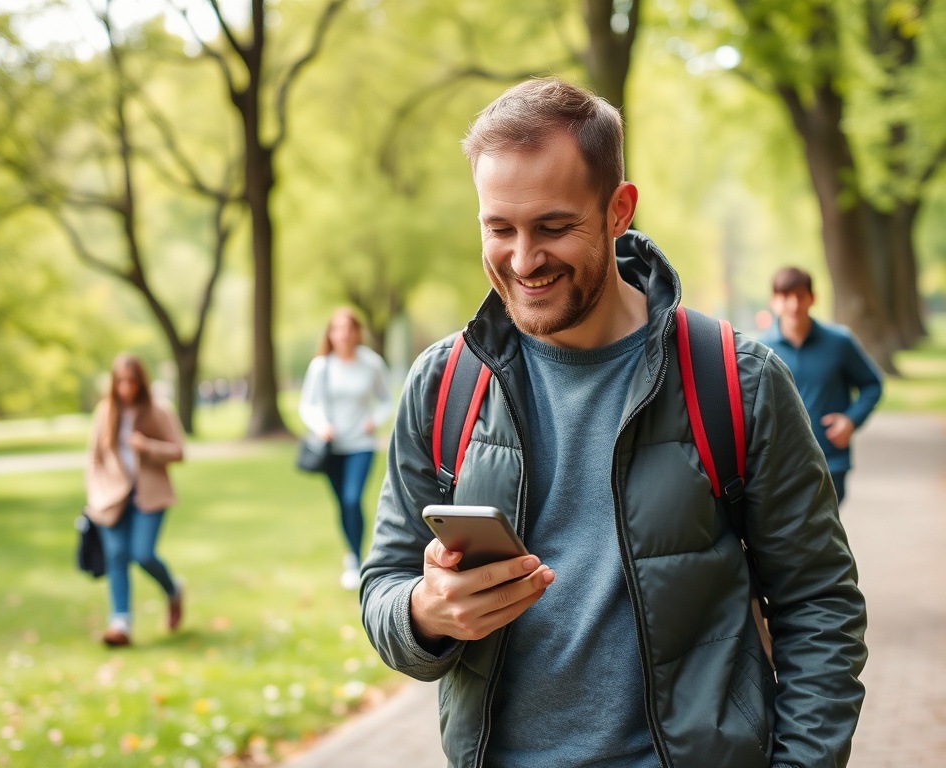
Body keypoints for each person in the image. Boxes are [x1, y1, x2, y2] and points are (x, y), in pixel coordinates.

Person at [360, 77, 866, 768]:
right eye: (499, 228)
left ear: (618, 209)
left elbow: (818, 606)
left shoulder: (736, 381)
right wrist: (425, 613)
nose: (523, 259)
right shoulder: (443, 385)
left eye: (553, 227)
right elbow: (384, 584)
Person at [85, 353, 185, 647]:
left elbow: (179, 451)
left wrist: (147, 447)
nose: (126, 388)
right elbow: (93, 459)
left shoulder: (158, 411)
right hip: (112, 496)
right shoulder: (105, 412)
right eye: (120, 382)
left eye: (132, 381)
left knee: (143, 554)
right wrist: (95, 495)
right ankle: (120, 623)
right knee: (116, 555)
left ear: (141, 382)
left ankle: (173, 589)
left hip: (150, 494)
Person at [761, 266, 883, 503]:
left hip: (830, 462)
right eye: (786, 297)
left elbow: (872, 384)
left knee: (823, 536)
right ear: (774, 302)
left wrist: (851, 420)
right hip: (779, 466)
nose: (794, 305)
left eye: (800, 296)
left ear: (812, 298)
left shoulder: (839, 343)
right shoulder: (759, 350)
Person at [299, 308, 392, 590]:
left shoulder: (371, 363)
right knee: (342, 503)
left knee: (353, 499)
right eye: (337, 329)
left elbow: (386, 400)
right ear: (330, 334)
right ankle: (352, 556)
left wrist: (372, 421)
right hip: (331, 448)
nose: (343, 334)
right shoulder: (321, 366)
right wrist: (320, 425)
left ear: (357, 332)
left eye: (348, 328)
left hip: (361, 445)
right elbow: (307, 404)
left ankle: (357, 558)